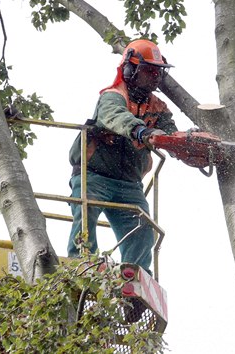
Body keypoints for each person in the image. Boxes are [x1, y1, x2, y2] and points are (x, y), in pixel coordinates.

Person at [67, 39, 177, 275]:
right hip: (94, 175)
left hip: (129, 184)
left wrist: (192, 145)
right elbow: (114, 116)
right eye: (149, 70)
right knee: (85, 216)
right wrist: (142, 131)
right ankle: (82, 263)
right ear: (130, 69)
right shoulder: (113, 96)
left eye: (157, 72)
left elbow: (171, 135)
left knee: (143, 229)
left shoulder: (158, 108)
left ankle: (135, 278)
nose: (155, 77)